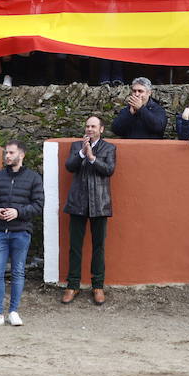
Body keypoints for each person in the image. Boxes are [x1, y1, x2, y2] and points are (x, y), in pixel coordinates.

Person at [0, 140, 44, 327]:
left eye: (11, 153)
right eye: (6, 153)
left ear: (21, 155)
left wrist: (19, 212)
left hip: (21, 232)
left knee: (18, 272)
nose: (7, 156)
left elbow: (38, 205)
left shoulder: (34, 178)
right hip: (0, 231)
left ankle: (14, 311)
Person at [61, 115, 117, 306]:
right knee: (75, 246)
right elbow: (69, 166)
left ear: (101, 129)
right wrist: (83, 154)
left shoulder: (109, 148)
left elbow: (109, 169)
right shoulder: (77, 146)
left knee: (98, 247)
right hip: (78, 202)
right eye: (87, 126)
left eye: (93, 126)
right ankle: (73, 284)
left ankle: (98, 286)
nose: (89, 129)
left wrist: (92, 158)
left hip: (100, 204)